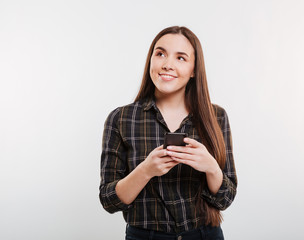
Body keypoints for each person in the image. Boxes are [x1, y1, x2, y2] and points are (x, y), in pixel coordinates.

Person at [99, 26, 237, 240]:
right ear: (150, 60)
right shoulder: (121, 118)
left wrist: (210, 167)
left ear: (194, 69)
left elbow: (225, 199)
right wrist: (146, 170)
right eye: (160, 54)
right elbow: (109, 200)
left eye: (181, 58)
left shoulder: (216, 116)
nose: (167, 64)